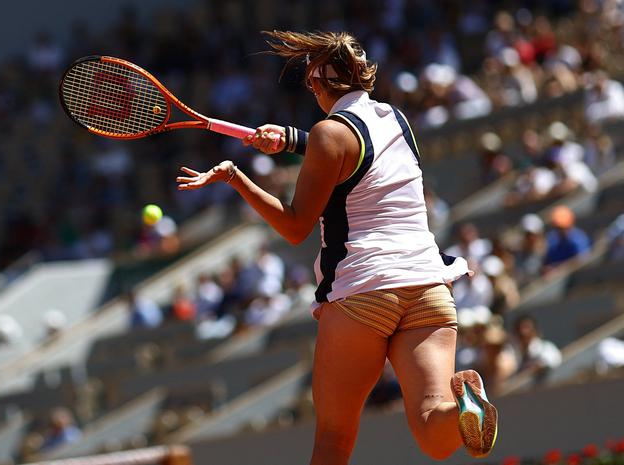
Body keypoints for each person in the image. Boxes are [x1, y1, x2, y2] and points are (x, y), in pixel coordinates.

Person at [176, 31, 498, 464]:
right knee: (434, 433)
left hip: (363, 292)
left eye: (310, 83)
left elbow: (294, 226)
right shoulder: (395, 119)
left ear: (320, 85)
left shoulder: (329, 134)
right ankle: (463, 407)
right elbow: (357, 151)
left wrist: (237, 178)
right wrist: (292, 139)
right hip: (428, 286)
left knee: (334, 436)